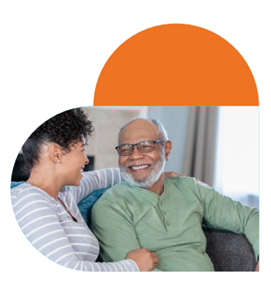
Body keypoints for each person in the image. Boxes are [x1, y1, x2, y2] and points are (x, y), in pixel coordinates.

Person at [90, 118, 259, 271]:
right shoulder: (111, 205)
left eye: (146, 146)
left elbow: (250, 217)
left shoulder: (191, 188)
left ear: (166, 150)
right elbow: (132, 271)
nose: (134, 156)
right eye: (125, 149)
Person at [11, 108, 161, 272]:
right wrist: (134, 266)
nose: (85, 159)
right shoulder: (29, 200)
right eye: (82, 150)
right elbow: (70, 271)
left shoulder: (65, 194)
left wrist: (154, 174)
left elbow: (101, 178)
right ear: (56, 154)